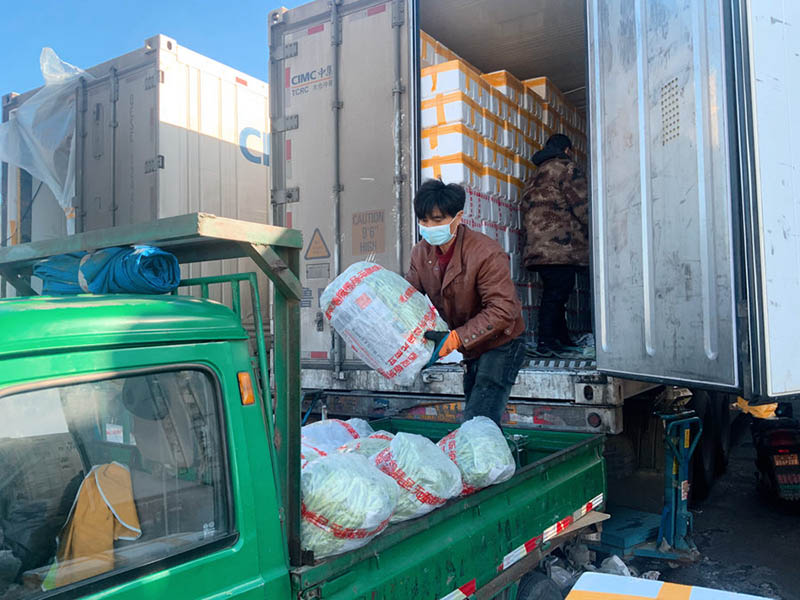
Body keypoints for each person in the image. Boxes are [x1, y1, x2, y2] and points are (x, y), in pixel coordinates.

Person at [406, 179, 526, 426]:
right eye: (423, 220)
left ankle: (486, 461)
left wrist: (457, 338)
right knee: (476, 411)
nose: (428, 227)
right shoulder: (420, 253)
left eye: (437, 220)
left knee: (479, 416)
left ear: (458, 217)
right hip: (471, 345)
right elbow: (408, 296)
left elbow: (504, 309)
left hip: (501, 341)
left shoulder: (485, 253)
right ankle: (490, 459)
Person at [521, 133, 589, 356]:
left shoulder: (534, 176)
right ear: (567, 150)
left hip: (537, 247)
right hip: (560, 247)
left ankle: (560, 340)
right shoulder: (566, 168)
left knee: (556, 292)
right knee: (556, 294)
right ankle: (546, 342)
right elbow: (582, 205)